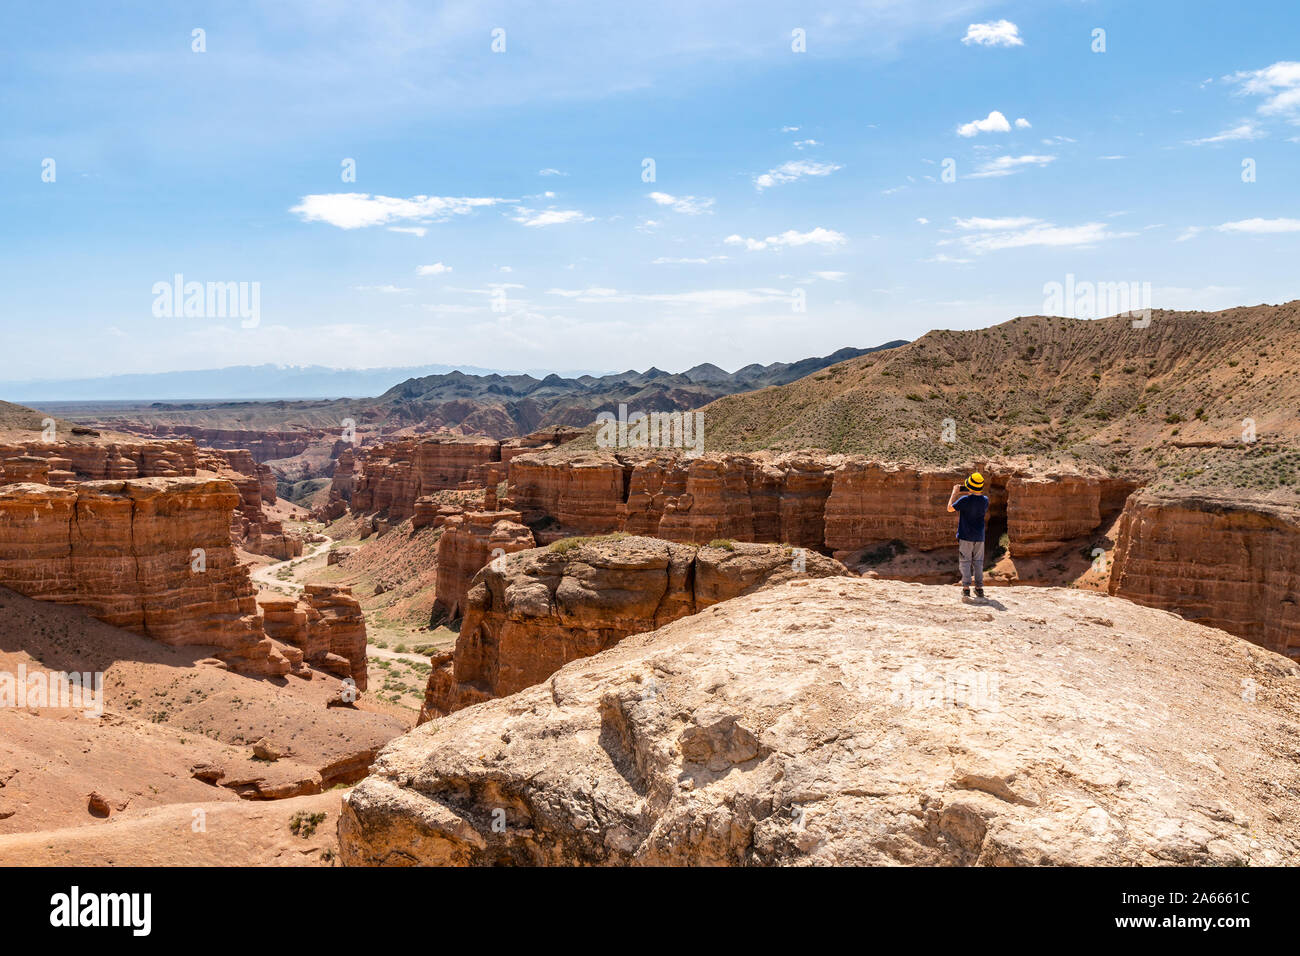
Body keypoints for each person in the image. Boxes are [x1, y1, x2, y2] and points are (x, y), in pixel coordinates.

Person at [946, 472, 989, 599]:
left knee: (965, 561)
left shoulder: (964, 500)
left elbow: (949, 508)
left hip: (966, 536)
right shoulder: (985, 500)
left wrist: (955, 493)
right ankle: (979, 588)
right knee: (978, 562)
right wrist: (970, 492)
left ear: (969, 486)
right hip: (980, 537)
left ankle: (966, 588)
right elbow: (976, 500)